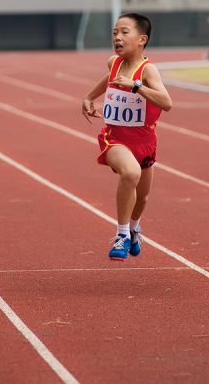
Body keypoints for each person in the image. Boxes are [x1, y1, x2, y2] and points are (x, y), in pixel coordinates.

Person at [81, 13, 172, 261]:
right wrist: (89, 97)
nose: (117, 38)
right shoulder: (114, 63)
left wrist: (136, 86)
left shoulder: (148, 70)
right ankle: (121, 235)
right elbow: (108, 80)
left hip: (145, 142)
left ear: (142, 39)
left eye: (124, 32)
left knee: (142, 198)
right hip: (115, 139)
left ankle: (134, 228)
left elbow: (167, 103)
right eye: (114, 32)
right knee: (130, 173)